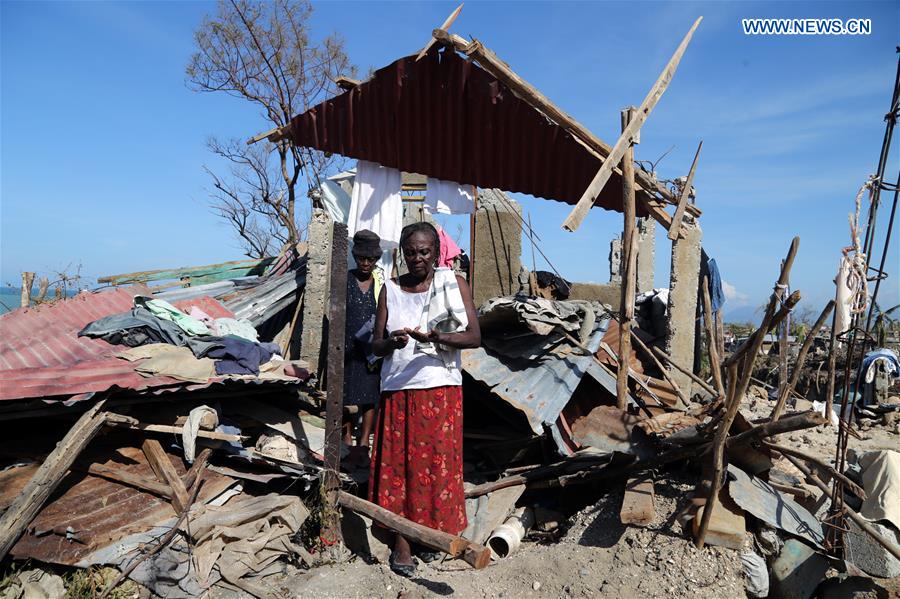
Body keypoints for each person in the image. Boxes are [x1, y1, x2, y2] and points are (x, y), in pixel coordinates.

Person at [370, 222, 481, 577]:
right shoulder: (389, 289)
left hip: (440, 388)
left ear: (436, 253)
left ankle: (433, 534)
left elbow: (474, 337)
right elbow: (375, 345)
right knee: (399, 467)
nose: (417, 258)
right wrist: (392, 343)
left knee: (437, 465)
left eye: (424, 252)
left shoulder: (454, 284)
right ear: (402, 253)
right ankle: (402, 540)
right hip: (398, 390)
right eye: (411, 252)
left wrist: (437, 338)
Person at [343, 230, 384, 466]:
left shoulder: (381, 283)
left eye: (371, 259)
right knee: (347, 393)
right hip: (348, 346)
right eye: (361, 258)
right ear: (355, 257)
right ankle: (347, 437)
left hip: (371, 347)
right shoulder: (345, 280)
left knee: (370, 394)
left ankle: (364, 440)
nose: (366, 263)